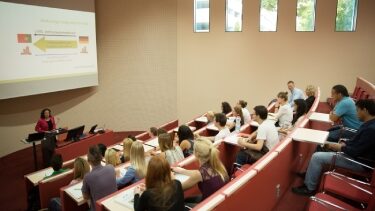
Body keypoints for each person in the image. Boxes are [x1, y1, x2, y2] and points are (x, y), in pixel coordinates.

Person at [292, 99, 375, 196]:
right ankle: (310, 174)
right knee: (323, 145)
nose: (356, 113)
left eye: (357, 110)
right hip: (357, 155)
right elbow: (357, 142)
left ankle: (309, 188)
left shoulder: (371, 129)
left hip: (359, 162)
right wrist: (345, 143)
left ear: (365, 110)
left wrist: (338, 146)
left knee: (317, 157)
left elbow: (354, 151)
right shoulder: (369, 124)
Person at [172, 138, 229, 205]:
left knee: (183, 204)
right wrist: (183, 171)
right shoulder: (218, 165)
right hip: (219, 200)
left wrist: (172, 177)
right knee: (188, 199)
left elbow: (179, 188)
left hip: (209, 205)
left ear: (197, 154)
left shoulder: (200, 174)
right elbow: (198, 173)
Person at [82, 145, 117, 211]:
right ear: (101, 157)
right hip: (113, 206)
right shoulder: (111, 167)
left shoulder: (87, 177)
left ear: (88, 160)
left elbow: (85, 197)